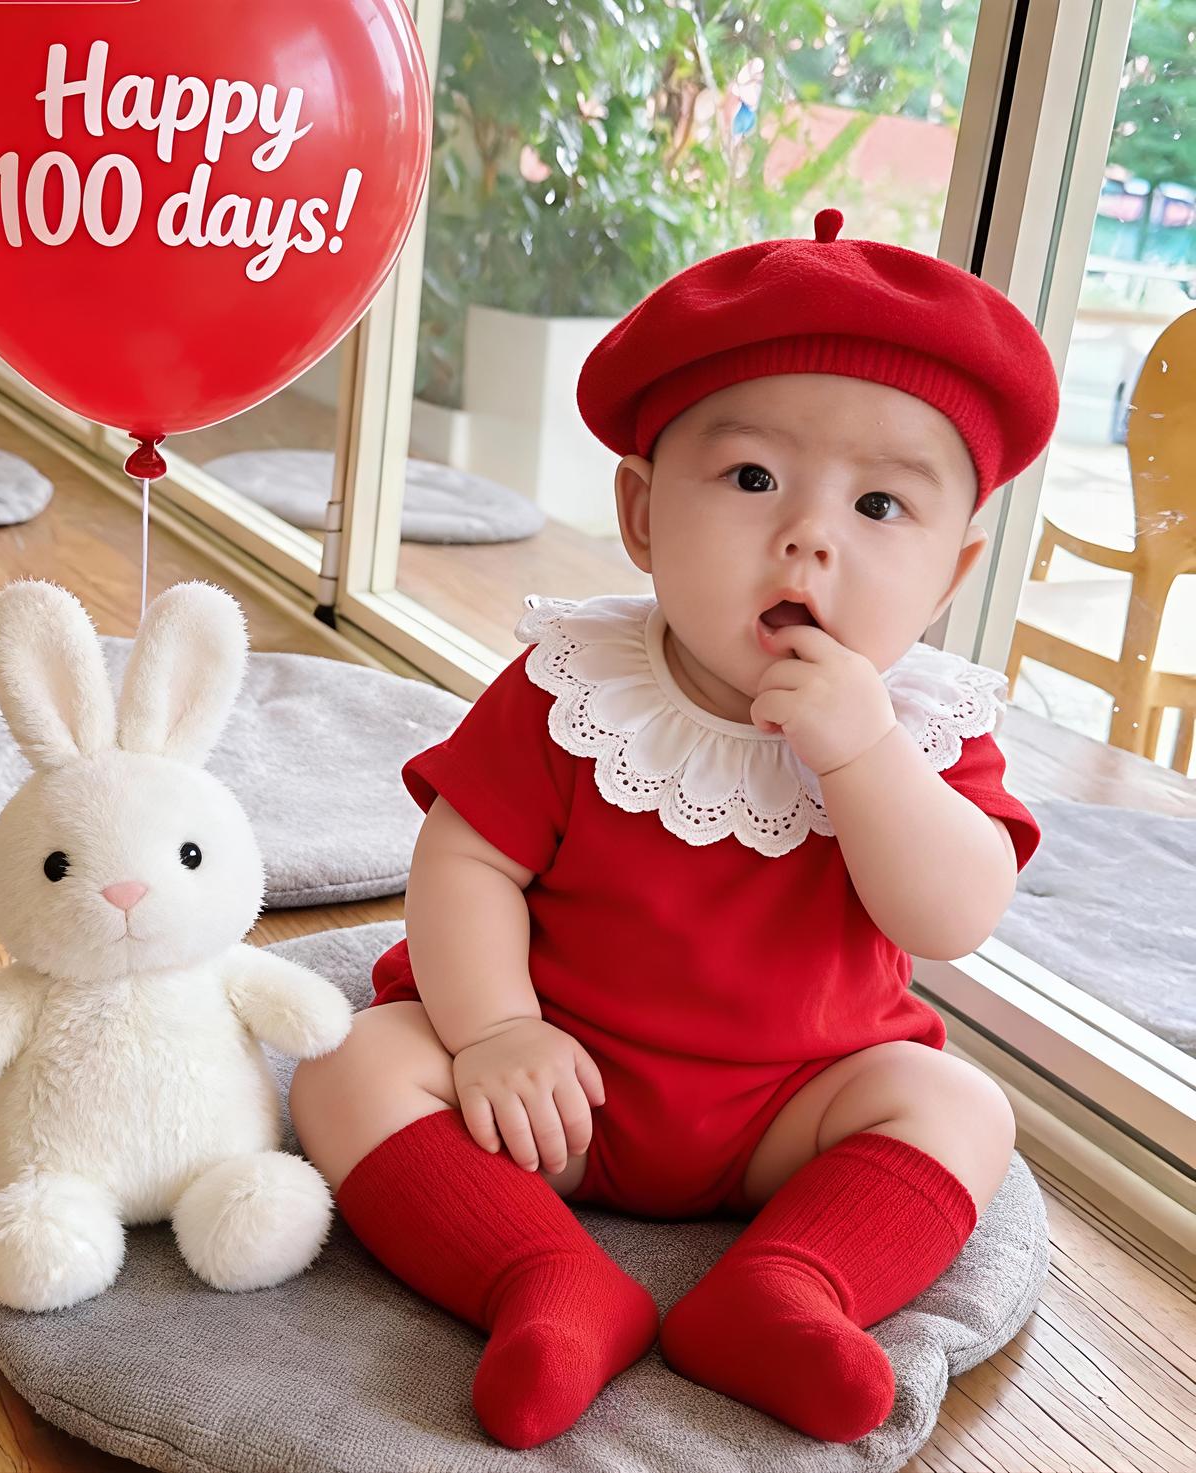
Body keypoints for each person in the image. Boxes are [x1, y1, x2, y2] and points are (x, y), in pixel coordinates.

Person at [289, 207, 1057, 1451]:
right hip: (556, 1094)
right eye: (751, 479)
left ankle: (788, 1287)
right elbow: (465, 857)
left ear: (949, 575)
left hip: (792, 1111)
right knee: (351, 1064)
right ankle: (541, 1277)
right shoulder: (578, 684)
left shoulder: (919, 726)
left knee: (958, 1107)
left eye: (878, 505)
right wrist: (495, 1031)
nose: (808, 535)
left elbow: (951, 915)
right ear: (641, 514)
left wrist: (861, 760)